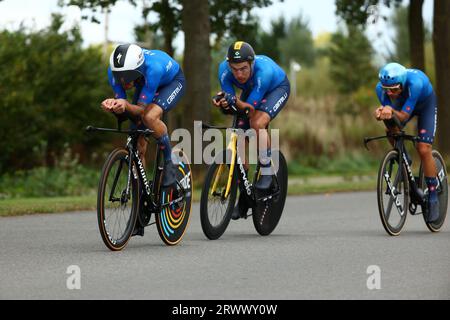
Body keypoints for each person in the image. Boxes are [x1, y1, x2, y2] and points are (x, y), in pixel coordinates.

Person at [101, 44, 186, 236]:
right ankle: (141, 202)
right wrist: (115, 104)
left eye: (128, 77)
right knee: (136, 139)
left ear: (137, 70)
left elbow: (140, 110)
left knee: (148, 118)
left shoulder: (153, 69)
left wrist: (125, 105)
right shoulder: (115, 72)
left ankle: (169, 161)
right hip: (146, 83)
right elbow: (125, 107)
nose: (123, 82)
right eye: (119, 77)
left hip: (171, 83)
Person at [213, 41, 290, 220]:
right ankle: (244, 198)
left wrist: (233, 102)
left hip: (276, 88)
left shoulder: (264, 72)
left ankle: (267, 170)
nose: (238, 74)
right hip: (252, 90)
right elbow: (231, 100)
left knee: (256, 123)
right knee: (239, 136)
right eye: (234, 69)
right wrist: (223, 102)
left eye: (243, 69)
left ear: (252, 64)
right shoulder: (223, 71)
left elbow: (249, 109)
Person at [374, 62, 439, 222]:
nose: (390, 94)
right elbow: (394, 121)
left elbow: (402, 117)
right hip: (404, 105)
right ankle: (404, 158)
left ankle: (433, 195)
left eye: (394, 89)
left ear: (402, 84)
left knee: (423, 148)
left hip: (425, 106)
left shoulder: (414, 84)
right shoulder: (381, 89)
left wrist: (390, 110)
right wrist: (382, 112)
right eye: (387, 90)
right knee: (390, 128)